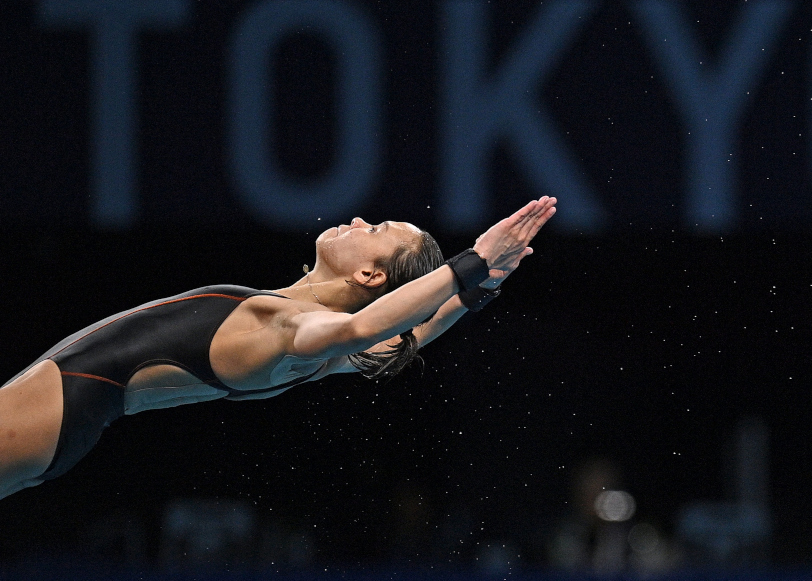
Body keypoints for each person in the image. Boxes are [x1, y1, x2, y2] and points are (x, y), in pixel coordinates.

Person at [0, 197, 557, 500]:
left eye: (379, 226)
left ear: (369, 273)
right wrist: (478, 288)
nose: (360, 218)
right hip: (61, 419)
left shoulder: (298, 331)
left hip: (59, 405)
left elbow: (363, 331)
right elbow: (411, 332)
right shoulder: (305, 344)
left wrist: (473, 265)